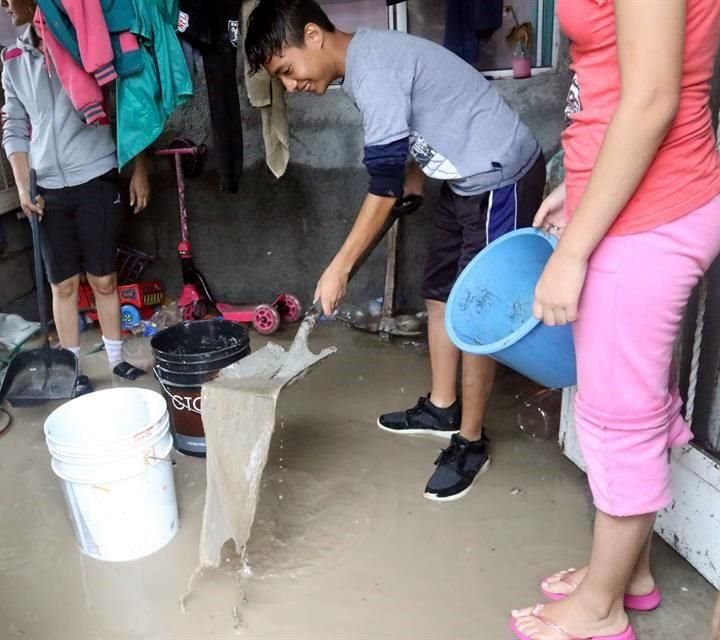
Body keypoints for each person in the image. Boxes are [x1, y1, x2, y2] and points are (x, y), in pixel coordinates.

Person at [244, 0, 545, 502]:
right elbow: (433, 114)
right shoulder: (366, 61)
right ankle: (443, 407)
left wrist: (339, 267)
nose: (292, 86)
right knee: (439, 293)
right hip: (462, 179)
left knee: (478, 314)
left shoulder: (373, 70)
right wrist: (415, 174)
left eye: (288, 70)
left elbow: (381, 189)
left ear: (314, 35)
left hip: (499, 178)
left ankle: (470, 441)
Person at [509, 1, 720, 639]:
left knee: (617, 420)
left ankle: (600, 609)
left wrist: (571, 253)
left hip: (649, 213)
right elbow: (615, 75)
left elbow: (652, 99)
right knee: (631, 402)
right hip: (635, 199)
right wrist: (579, 187)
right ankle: (629, 573)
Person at [0, 0, 151, 391]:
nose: (2, 5)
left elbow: (128, 103)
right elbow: (14, 126)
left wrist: (139, 168)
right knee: (63, 286)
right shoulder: (13, 59)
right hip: (47, 188)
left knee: (104, 280)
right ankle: (71, 370)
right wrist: (22, 184)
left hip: (96, 175)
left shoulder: (84, 37)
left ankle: (116, 361)